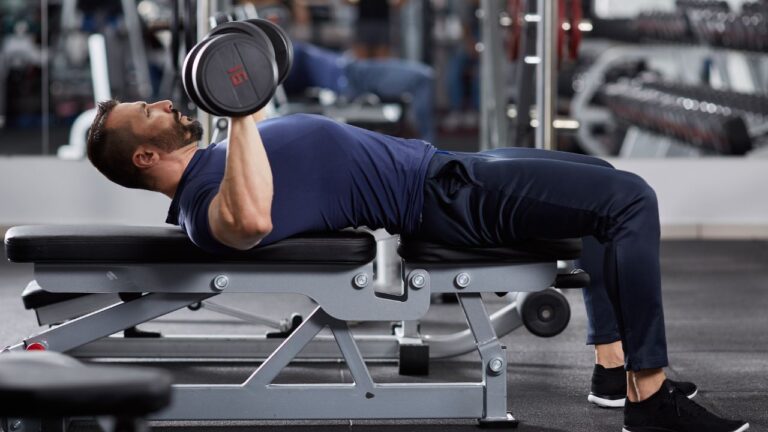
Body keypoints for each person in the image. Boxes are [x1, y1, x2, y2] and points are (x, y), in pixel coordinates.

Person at [85, 100, 749, 432]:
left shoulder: (215, 166)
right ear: (144, 158)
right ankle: (648, 394)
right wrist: (246, 115)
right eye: (149, 113)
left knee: (604, 184)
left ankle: (612, 372)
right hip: (447, 198)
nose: (167, 105)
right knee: (629, 199)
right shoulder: (206, 203)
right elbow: (249, 222)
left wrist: (243, 118)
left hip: (451, 174)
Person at [282, 41, 435, 143]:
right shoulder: (282, 70)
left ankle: (426, 149)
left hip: (352, 67)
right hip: (352, 82)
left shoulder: (286, 49)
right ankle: (429, 151)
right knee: (422, 77)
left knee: (423, 76)